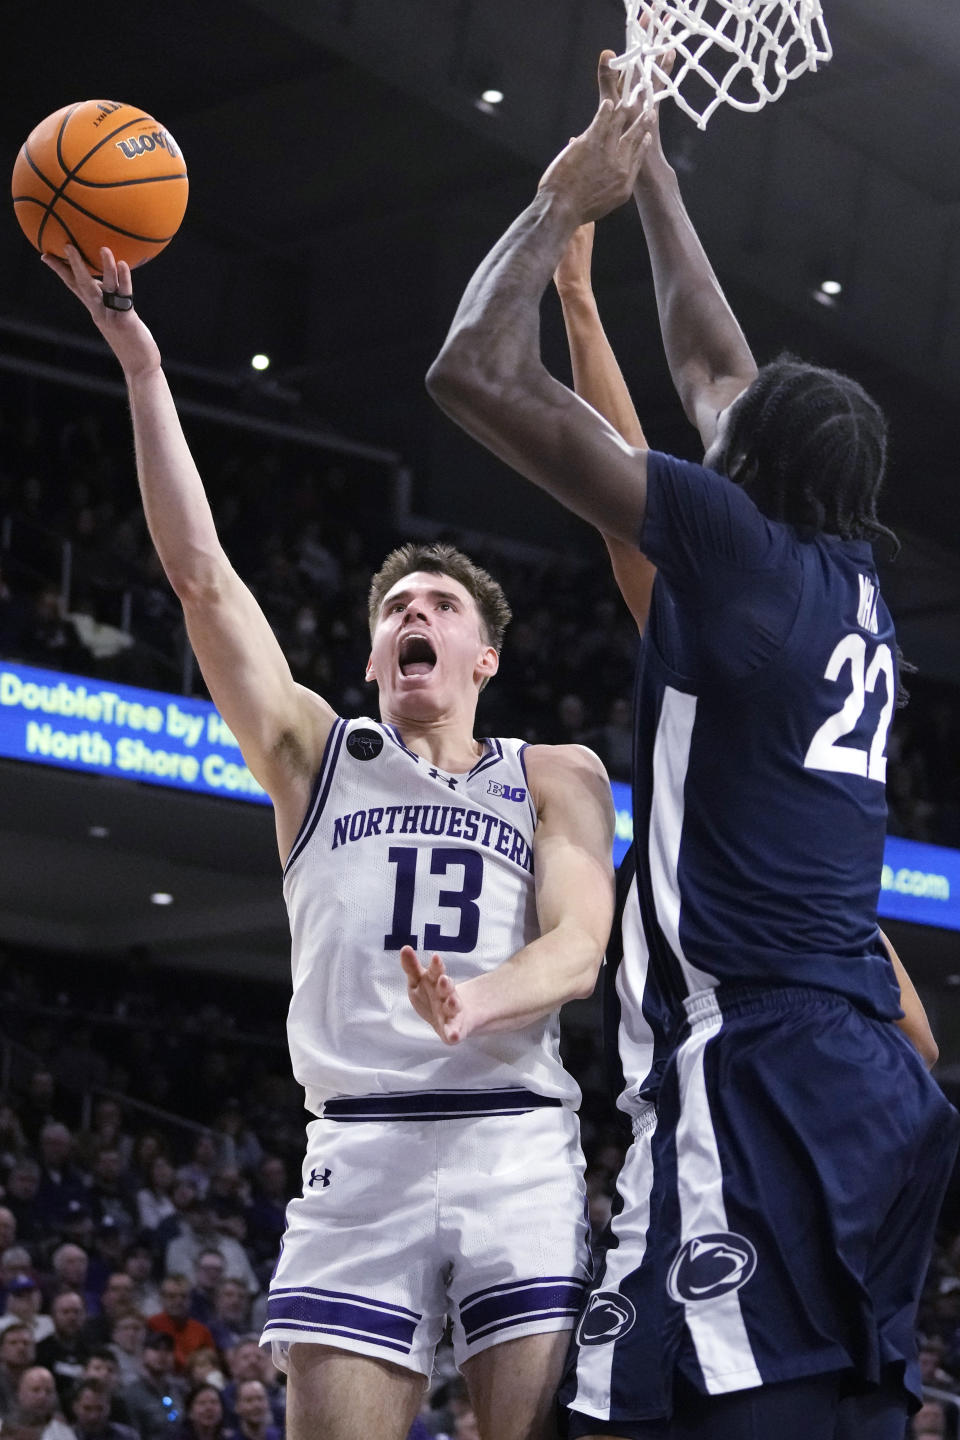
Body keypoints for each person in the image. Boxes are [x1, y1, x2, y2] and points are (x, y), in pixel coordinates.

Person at [426, 49, 959, 1440]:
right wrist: (654, 164)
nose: (715, 411)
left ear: (740, 479)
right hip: (870, 1090)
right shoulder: (847, 574)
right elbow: (719, 365)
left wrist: (566, 194)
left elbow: (474, 372)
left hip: (759, 1076)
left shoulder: (736, 550)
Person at [42, 242, 617, 1440]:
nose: (415, 614)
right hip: (358, 1153)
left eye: (441, 607)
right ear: (369, 660)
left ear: (485, 659)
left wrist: (477, 999)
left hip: (513, 1136)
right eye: (395, 609)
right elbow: (201, 582)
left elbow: (580, 947)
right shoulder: (317, 755)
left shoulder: (555, 775)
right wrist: (142, 362)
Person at [120, 1332, 185, 1440]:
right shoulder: (131, 1394)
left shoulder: (181, 1389)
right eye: (156, 1349)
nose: (162, 1354)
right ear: (143, 1354)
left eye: (167, 1350)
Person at [70, 1378, 139, 1440]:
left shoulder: (127, 1436)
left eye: (100, 1409)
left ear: (109, 1407)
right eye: (87, 1409)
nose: (93, 1416)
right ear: (75, 1407)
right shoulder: (63, 1436)